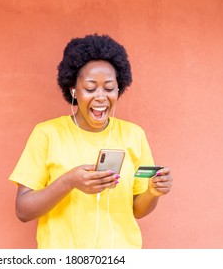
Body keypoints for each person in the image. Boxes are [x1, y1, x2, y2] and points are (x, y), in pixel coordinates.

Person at [9, 34, 173, 249]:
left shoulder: (134, 135)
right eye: (90, 88)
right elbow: (23, 210)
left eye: (109, 88)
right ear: (74, 91)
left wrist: (153, 192)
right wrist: (69, 182)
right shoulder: (47, 133)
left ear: (119, 89)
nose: (100, 97)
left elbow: (137, 210)